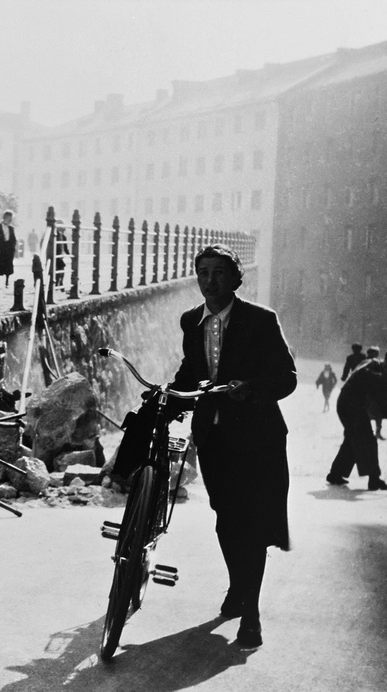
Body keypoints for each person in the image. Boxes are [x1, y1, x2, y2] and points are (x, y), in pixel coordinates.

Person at [170, 243, 296, 649]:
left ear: (236, 277)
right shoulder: (192, 321)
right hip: (214, 437)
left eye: (219, 272)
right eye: (203, 272)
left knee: (253, 523)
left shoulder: (260, 320)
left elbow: (287, 376)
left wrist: (251, 389)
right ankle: (238, 585)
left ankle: (252, 613)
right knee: (225, 517)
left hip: (257, 437)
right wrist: (168, 395)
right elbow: (192, 372)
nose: (210, 280)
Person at [326, 356, 387, 490]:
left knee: (352, 440)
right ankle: (374, 479)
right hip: (351, 405)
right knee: (368, 441)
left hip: (349, 404)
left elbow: (380, 399)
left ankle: (335, 474)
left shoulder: (375, 367)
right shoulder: (373, 365)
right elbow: (364, 376)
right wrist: (382, 377)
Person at [364, 347, 384, 439]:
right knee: (375, 413)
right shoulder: (368, 362)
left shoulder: (366, 362)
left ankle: (377, 433)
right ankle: (375, 433)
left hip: (372, 391)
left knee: (375, 413)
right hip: (371, 391)